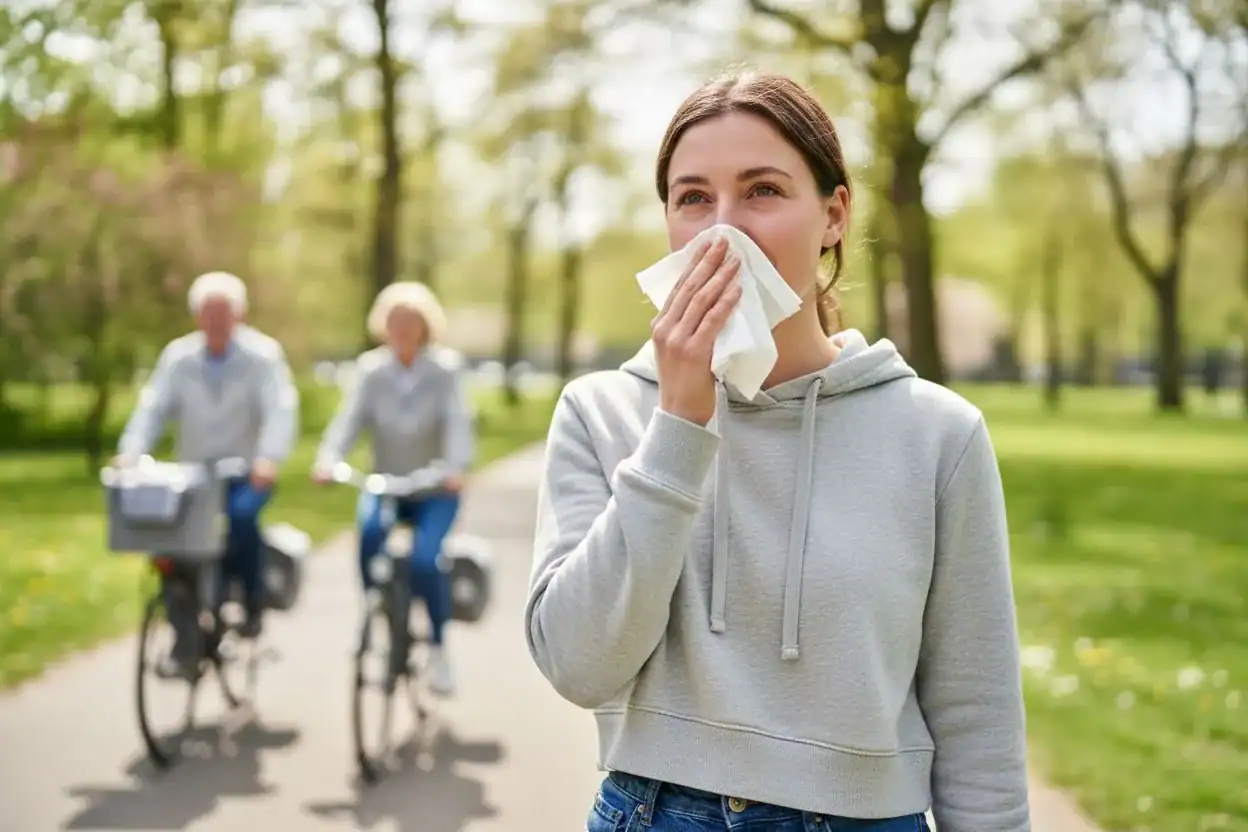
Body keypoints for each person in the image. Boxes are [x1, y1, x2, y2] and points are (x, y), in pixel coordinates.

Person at [525, 69, 1029, 832]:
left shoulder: (939, 435)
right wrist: (678, 427)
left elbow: (977, 714)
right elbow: (577, 665)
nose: (723, 231)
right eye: (693, 198)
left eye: (762, 190)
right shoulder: (602, 412)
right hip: (656, 812)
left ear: (833, 215)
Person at [116, 271, 299, 676]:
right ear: (197, 316)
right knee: (168, 543)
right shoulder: (179, 357)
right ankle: (184, 637)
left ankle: (250, 602)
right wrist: (131, 452)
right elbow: (153, 408)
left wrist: (268, 458)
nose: (216, 320)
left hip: (245, 472)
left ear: (240, 314)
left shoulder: (262, 356)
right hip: (192, 474)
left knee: (240, 519)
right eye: (208, 312)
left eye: (224, 312)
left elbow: (280, 409)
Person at [313, 281, 474, 697]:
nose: (401, 329)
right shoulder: (371, 370)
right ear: (382, 326)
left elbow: (458, 421)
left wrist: (456, 466)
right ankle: (371, 614)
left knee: (425, 560)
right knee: (368, 536)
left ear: (425, 327)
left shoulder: (444, 370)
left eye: (410, 322)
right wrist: (329, 458)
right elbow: (347, 421)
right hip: (385, 484)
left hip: (435, 488)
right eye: (394, 321)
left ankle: (439, 649)